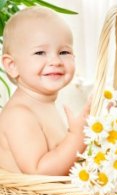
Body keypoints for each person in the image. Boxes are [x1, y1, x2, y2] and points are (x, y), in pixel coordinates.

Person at [0, 6, 91, 176]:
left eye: (64, 52)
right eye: (40, 52)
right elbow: (39, 172)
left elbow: (62, 158)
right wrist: (77, 136)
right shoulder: (19, 115)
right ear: (12, 66)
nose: (55, 61)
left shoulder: (42, 103)